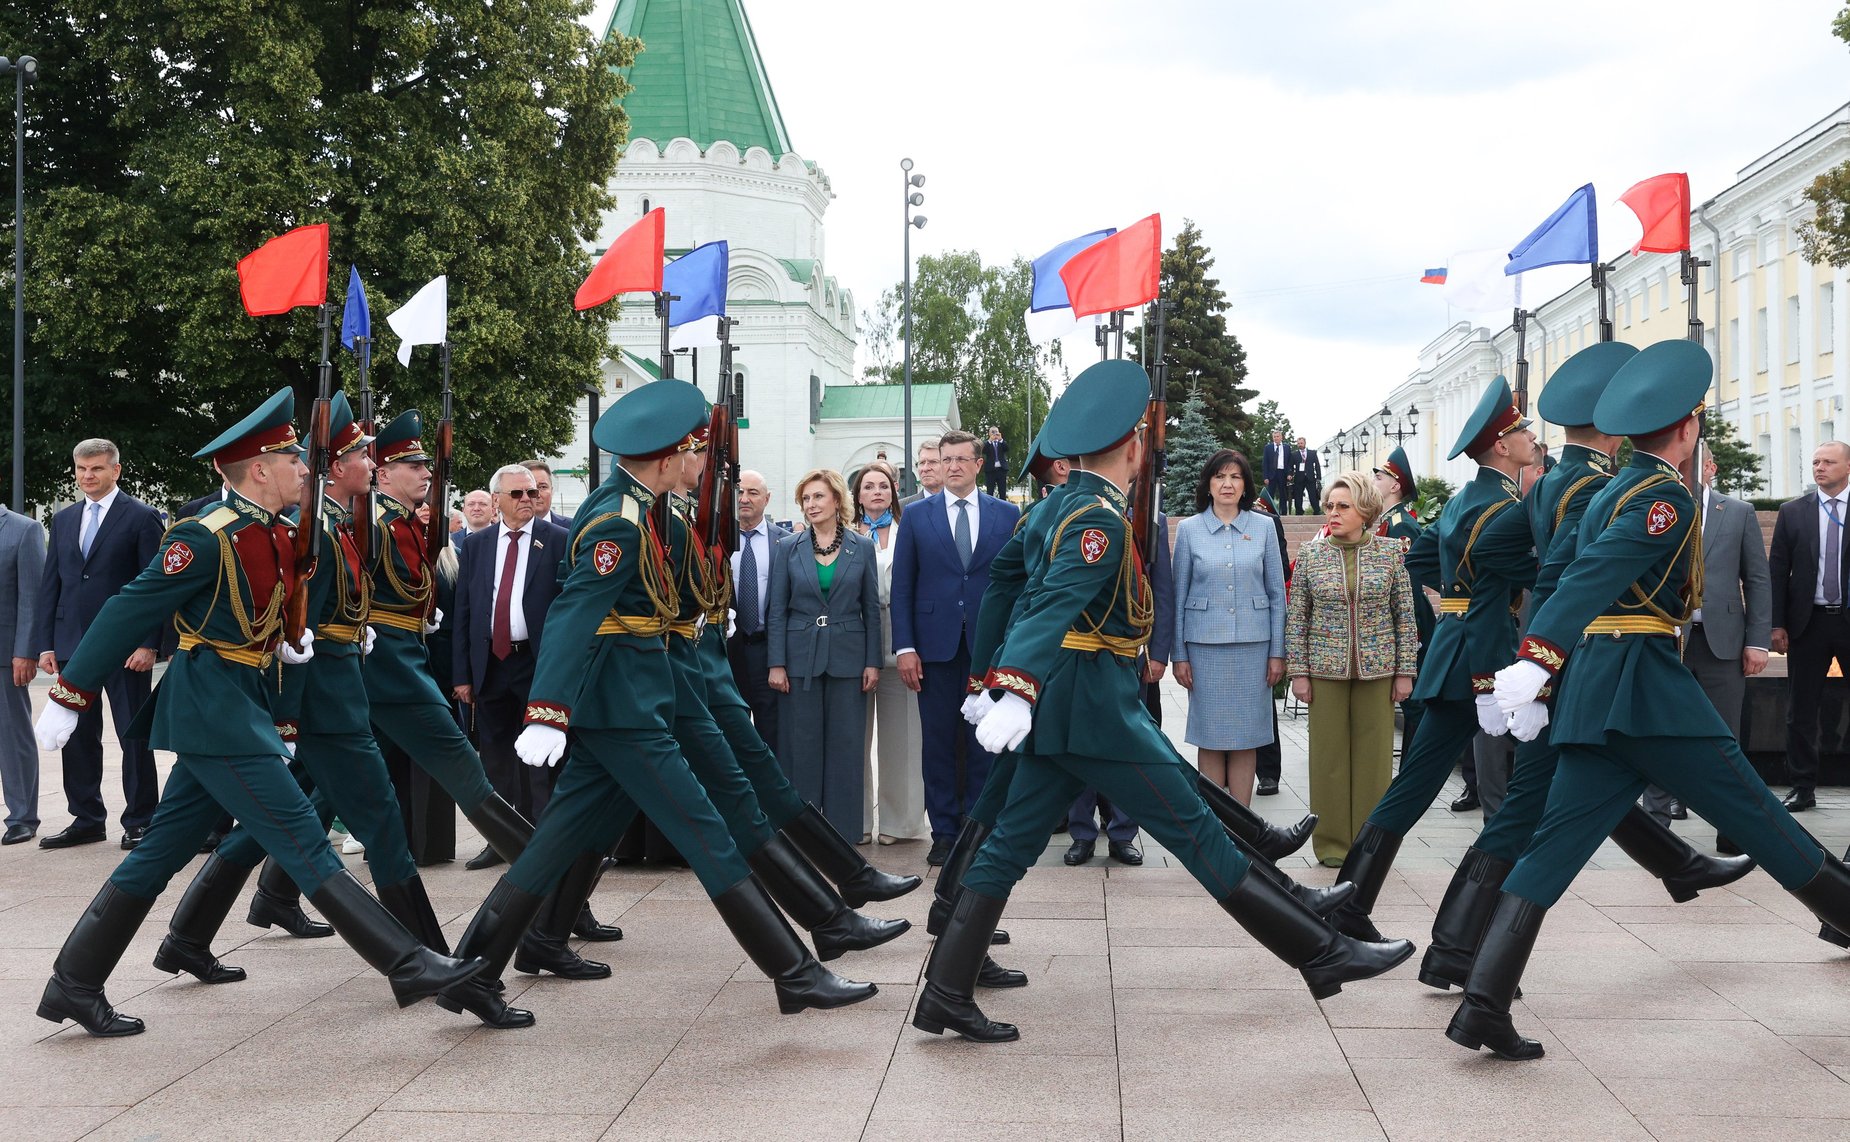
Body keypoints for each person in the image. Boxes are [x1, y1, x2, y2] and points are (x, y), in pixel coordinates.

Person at [917, 361, 1410, 1044]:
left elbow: (1007, 591)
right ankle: (1323, 953)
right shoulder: (1097, 520)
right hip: (1094, 708)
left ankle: (943, 992)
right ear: (1131, 448)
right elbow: (1051, 602)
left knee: (1010, 844)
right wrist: (1011, 684)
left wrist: (990, 679)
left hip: (1070, 706)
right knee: (1195, 832)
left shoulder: (1053, 508)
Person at [31, 388, 484, 1037]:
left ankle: (74, 982)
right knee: (303, 838)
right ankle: (408, 962)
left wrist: (292, 652)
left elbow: (265, 623)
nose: (306, 469)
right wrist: (72, 695)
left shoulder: (274, 533)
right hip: (213, 710)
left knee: (159, 852)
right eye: (291, 460)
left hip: (241, 703)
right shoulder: (205, 537)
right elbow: (128, 609)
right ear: (259, 469)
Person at [1451, 339, 1850, 1061]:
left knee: (1555, 846)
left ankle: (1482, 1003)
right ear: (1689, 428)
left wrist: (1538, 665)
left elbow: (1560, 572)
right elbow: (1588, 575)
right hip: (1644, 686)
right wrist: (1534, 662)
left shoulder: (1608, 487)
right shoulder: (1660, 494)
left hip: (1599, 689)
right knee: (1754, 810)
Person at [439, 379, 878, 1030]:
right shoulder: (617, 520)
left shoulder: (647, 509)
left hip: (638, 698)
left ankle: (472, 973)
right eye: (694, 452)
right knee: (708, 836)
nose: (702, 463)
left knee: (550, 846)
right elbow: (572, 613)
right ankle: (795, 973)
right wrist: (547, 707)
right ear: (668, 458)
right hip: (622, 709)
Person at [1419, 341, 1751, 996]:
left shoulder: (1549, 483)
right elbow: (1576, 579)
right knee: (1530, 809)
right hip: (1577, 662)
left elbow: (1520, 569)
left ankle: (1678, 864)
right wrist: (1540, 662)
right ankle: (1457, 953)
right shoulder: (1599, 485)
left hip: (1558, 659)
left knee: (1566, 795)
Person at [154, 393, 466, 986]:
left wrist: (368, 625)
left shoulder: (337, 524)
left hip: (329, 694)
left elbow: (331, 612)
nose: (372, 465)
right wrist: (289, 719)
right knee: (361, 823)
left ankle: (189, 936)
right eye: (362, 455)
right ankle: (425, 961)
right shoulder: (306, 527)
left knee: (256, 823)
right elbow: (295, 628)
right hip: (314, 703)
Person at [1326, 375, 1536, 942]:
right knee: (1549, 772)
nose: (1531, 437)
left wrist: (1456, 597)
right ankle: (1467, 935)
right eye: (1522, 430)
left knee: (1415, 784)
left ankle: (1350, 900)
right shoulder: (1502, 508)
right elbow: (1540, 574)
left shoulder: (1463, 501)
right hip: (1486, 665)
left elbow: (1418, 558)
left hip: (1453, 654)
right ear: (1501, 446)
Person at [890, 430, 1021, 865]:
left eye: (962, 459)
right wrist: (904, 647)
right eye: (946, 460)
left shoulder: (1006, 514)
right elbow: (903, 586)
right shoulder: (915, 515)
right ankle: (945, 831)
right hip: (935, 649)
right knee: (939, 743)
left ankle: (977, 830)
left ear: (979, 465)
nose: (953, 467)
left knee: (986, 741)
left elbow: (1018, 584)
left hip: (990, 648)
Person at [34, 439, 166, 850]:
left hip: (126, 649)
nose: (87, 476)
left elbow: (157, 586)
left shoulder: (143, 518)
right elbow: (51, 585)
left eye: (96, 468)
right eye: (81, 469)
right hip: (73, 645)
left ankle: (141, 819)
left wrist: (149, 643)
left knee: (133, 735)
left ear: (116, 471)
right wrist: (45, 644)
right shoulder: (65, 519)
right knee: (76, 735)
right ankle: (86, 818)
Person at [1287, 472, 1418, 867]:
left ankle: (1368, 847)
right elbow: (1297, 618)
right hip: (1324, 670)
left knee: (1375, 762)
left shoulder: (1390, 553)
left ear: (1366, 510)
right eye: (1330, 505)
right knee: (1327, 759)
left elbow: (1404, 616)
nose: (1333, 513)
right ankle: (1330, 845)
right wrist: (1299, 671)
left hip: (1379, 671)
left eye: (1343, 506)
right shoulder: (1311, 555)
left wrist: (1405, 670)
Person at [1644, 453, 1770, 831]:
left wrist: (1758, 641)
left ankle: (1731, 827)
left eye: (1696, 461)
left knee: (1725, 736)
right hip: (1667, 637)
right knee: (1660, 729)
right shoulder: (1656, 508)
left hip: (1724, 640)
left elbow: (1757, 579)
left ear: (1711, 467)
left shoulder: (1738, 511)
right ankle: (1657, 823)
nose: (1687, 467)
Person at [453, 464, 569, 863]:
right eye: (517, 494)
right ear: (497, 499)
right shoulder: (477, 545)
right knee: (496, 755)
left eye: (533, 493)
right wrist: (462, 674)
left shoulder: (557, 541)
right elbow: (464, 612)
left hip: (536, 663)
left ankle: (542, 839)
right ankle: (501, 840)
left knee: (540, 760)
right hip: (491, 663)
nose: (527, 500)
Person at [769, 469, 883, 842]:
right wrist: (776, 663)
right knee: (799, 750)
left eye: (818, 497)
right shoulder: (788, 546)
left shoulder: (862, 547)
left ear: (837, 501)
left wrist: (872, 661)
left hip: (849, 659)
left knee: (847, 749)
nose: (811, 505)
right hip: (799, 659)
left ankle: (843, 836)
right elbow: (777, 610)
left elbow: (871, 608)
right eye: (805, 499)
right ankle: (801, 836)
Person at [1171, 448, 1285, 804]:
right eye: (1220, 476)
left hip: (1254, 648)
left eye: (1235, 477)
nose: (1227, 484)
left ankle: (1244, 823)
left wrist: (1277, 652)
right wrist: (1179, 654)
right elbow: (1178, 596)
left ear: (1245, 485)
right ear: (1208, 484)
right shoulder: (1189, 530)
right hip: (1204, 650)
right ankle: (1216, 824)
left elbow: (1277, 594)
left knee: (1246, 737)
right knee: (1211, 736)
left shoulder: (1263, 527)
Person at [1768, 440, 1850, 812]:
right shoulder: (1793, 512)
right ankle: (1802, 786)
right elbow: (1777, 571)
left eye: (1829, 462)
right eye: (1816, 462)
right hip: (1808, 623)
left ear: (1847, 467)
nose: (1820, 468)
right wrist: (1776, 624)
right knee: (1800, 709)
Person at [853, 461, 926, 844]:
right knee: (855, 739)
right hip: (857, 649)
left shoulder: (907, 530)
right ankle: (859, 820)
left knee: (903, 739)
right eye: (869, 486)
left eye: (883, 485)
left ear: (894, 492)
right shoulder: (846, 534)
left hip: (902, 644)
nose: (877, 492)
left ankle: (901, 823)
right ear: (858, 494)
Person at [729, 469, 790, 749]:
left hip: (770, 655)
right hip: (729, 654)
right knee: (734, 737)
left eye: (753, 493)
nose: (744, 498)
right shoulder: (717, 540)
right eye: (740, 492)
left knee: (773, 736)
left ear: (767, 499)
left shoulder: (786, 543)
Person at [0, 505, 45, 845]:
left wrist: (25, 651)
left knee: (13, 737)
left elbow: (32, 598)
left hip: (5, 654)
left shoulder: (23, 529)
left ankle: (22, 817)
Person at [522, 459, 573, 528]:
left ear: (551, 490)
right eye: (530, 489)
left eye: (543, 487)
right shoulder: (505, 530)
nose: (537, 495)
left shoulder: (573, 528)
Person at [899, 441, 942, 507]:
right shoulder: (902, 507)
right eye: (922, 463)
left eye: (933, 462)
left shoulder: (960, 505)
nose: (925, 469)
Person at [1262, 430, 1292, 511]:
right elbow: (1265, 463)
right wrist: (1265, 477)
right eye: (1274, 437)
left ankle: (1284, 512)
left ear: (1281, 437)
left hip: (1282, 473)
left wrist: (1289, 473)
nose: (1276, 438)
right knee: (1270, 494)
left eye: (1277, 436)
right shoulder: (1268, 447)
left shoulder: (1287, 447)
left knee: (1283, 494)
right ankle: (1270, 511)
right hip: (1271, 474)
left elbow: (1289, 462)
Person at [1295, 437, 1322, 515]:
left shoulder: (1312, 453)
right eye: (1298, 443)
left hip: (1310, 477)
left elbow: (1317, 465)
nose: (1300, 445)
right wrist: (1290, 474)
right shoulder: (1294, 454)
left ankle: (1316, 510)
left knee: (1313, 494)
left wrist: (1318, 477)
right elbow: (1290, 465)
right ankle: (1299, 511)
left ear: (1305, 443)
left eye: (1301, 443)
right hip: (1299, 478)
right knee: (1298, 495)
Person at [983, 427, 1010, 499]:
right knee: (990, 491)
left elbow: (1007, 448)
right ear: (989, 433)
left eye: (996, 432)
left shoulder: (1001, 443)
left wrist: (1001, 439)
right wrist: (990, 440)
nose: (995, 434)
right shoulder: (987, 443)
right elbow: (983, 450)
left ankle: (1003, 507)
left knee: (1002, 491)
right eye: (993, 432)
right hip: (990, 470)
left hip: (1001, 470)